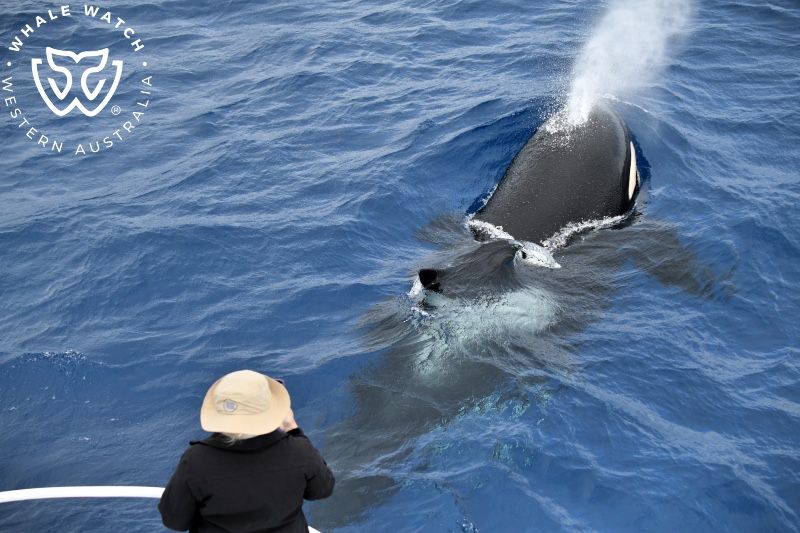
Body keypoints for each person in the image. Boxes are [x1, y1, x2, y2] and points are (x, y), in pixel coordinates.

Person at [159, 369, 335, 532]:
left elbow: (174, 521)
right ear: (273, 411)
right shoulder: (299, 451)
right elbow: (322, 490)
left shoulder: (196, 461)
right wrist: (292, 428)